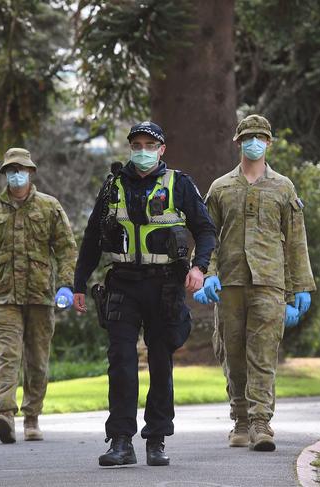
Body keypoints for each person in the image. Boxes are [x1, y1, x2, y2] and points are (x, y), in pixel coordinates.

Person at [73, 121, 216, 467]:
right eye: (136, 143)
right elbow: (92, 237)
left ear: (161, 149)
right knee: (120, 361)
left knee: (160, 362)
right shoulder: (113, 187)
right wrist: (78, 283)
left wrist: (200, 267)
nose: (142, 150)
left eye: (149, 144)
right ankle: (121, 441)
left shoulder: (179, 184)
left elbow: (205, 229)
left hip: (165, 284)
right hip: (122, 283)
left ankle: (156, 439)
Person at [193, 114, 315, 452]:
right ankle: (241, 421)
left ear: (269, 143)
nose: (254, 142)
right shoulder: (220, 188)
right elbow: (207, 235)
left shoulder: (283, 187)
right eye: (248, 136)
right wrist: (207, 271)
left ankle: (262, 423)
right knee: (232, 353)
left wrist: (300, 287)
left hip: (269, 282)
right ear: (238, 142)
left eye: (260, 137)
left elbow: (295, 240)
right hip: (229, 283)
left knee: (263, 355)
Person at [0, 147, 77, 444]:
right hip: (4, 297)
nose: (16, 175)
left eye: (21, 169)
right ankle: (5, 415)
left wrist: (66, 284)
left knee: (38, 360)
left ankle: (32, 417)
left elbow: (66, 248)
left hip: (40, 295)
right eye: (10, 170)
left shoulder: (50, 208)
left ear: (30, 172)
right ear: (4, 174)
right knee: (8, 356)